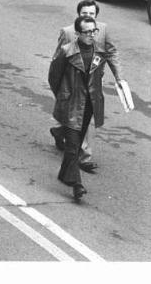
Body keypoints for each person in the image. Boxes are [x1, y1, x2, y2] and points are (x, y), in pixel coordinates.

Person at [49, 0, 124, 173]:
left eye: (92, 14)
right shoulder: (68, 33)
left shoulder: (103, 30)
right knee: (75, 119)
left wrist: (119, 77)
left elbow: (112, 53)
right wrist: (61, 93)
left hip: (93, 85)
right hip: (73, 87)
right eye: (85, 14)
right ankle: (72, 155)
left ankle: (83, 156)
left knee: (85, 121)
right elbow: (57, 64)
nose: (88, 16)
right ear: (78, 16)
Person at [48, 16, 107, 201]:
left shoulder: (99, 51)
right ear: (78, 34)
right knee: (73, 146)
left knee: (76, 143)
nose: (91, 35)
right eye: (87, 32)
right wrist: (64, 97)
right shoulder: (67, 51)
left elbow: (98, 76)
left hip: (88, 105)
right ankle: (77, 185)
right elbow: (54, 77)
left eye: (93, 31)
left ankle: (65, 174)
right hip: (71, 105)